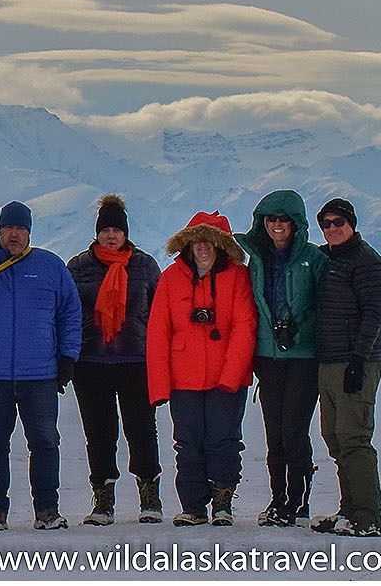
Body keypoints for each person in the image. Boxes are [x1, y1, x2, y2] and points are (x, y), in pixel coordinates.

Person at [0, 201, 82, 532]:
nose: (14, 234)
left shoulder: (50, 267)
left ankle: (47, 510)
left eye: (21, 229)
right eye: (9, 228)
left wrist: (68, 356)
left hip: (39, 373)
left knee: (45, 441)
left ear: (29, 233)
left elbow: (70, 313)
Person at [147, 211, 256, 527]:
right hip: (184, 378)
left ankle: (223, 501)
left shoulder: (238, 276)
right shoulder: (170, 278)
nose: (203, 246)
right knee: (188, 441)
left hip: (226, 377)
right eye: (197, 240)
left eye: (210, 240)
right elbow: (157, 332)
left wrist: (232, 377)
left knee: (224, 439)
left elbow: (244, 327)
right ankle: (192, 506)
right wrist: (158, 385)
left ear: (222, 244)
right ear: (188, 243)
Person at [65, 194, 165, 526]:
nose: (111, 235)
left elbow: (162, 314)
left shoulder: (144, 265)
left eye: (116, 230)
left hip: (136, 361)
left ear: (125, 233)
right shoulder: (78, 267)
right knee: (99, 433)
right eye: (105, 229)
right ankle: (103, 500)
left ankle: (150, 496)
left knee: (141, 431)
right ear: (96, 232)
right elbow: (64, 313)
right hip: (90, 362)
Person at [234, 189, 328, 527]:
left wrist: (300, 327)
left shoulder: (315, 259)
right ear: (262, 222)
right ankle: (279, 499)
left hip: (303, 356)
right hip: (268, 356)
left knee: (294, 430)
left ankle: (298, 501)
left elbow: (325, 306)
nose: (277, 224)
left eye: (283, 219)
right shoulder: (257, 261)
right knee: (274, 433)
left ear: (296, 224)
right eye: (271, 218)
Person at [311, 198, 381, 538]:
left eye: (338, 222)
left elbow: (374, 313)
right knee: (334, 436)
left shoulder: (366, 261)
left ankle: (369, 516)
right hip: (328, 360)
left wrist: (359, 358)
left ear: (352, 223)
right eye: (326, 223)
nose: (332, 228)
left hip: (356, 362)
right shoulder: (326, 258)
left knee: (354, 437)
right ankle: (350, 510)